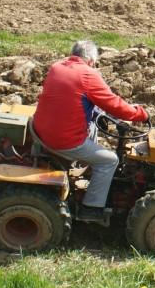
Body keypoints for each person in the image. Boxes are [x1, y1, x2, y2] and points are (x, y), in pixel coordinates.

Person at [32, 40, 149, 223]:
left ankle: (89, 173)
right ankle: (91, 208)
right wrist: (139, 113)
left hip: (40, 129)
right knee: (109, 160)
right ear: (92, 61)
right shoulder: (88, 74)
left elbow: (74, 98)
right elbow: (114, 104)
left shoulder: (57, 67)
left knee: (93, 126)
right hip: (62, 140)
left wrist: (96, 112)